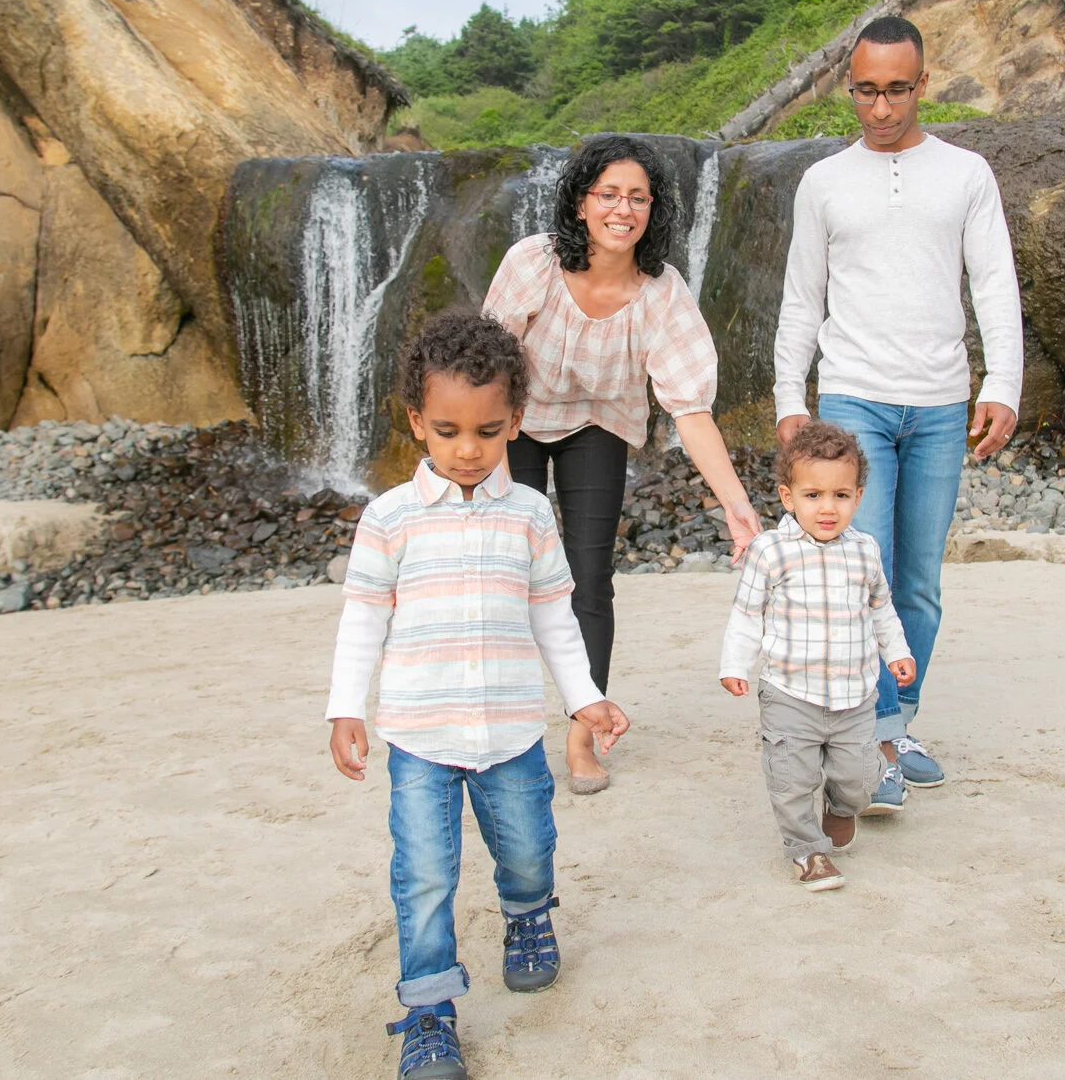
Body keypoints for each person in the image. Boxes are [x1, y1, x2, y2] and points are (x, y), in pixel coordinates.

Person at [325, 313, 633, 1080]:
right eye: (448, 430)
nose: (468, 450)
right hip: (420, 738)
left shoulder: (529, 513)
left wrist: (585, 700)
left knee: (528, 849)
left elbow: (554, 617)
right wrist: (344, 706)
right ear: (416, 422)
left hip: (510, 736)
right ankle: (429, 1012)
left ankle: (528, 916)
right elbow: (362, 618)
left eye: (489, 431)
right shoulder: (389, 519)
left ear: (515, 422)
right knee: (424, 873)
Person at [772, 15, 1023, 808]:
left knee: (918, 583)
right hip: (853, 400)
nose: (880, 109)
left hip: (943, 401)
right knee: (860, 574)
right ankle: (872, 739)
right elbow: (800, 297)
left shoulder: (967, 174)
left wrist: (1002, 384)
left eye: (896, 90)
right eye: (866, 91)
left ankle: (897, 724)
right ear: (852, 87)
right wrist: (788, 397)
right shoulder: (823, 182)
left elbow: (992, 282)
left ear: (923, 83)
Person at [484, 134, 764, 794]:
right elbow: (485, 367)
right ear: (582, 202)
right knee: (507, 570)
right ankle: (504, 731)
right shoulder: (534, 262)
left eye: (637, 197)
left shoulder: (661, 293)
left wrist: (735, 502)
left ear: (653, 209)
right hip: (515, 421)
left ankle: (584, 733)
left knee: (589, 578)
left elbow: (689, 408)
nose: (622, 208)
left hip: (598, 425)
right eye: (608, 193)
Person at [719, 420, 916, 891]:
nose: (827, 508)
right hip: (790, 693)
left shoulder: (865, 551)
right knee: (790, 780)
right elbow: (746, 616)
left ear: (858, 497)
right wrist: (734, 664)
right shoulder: (770, 552)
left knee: (861, 777)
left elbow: (881, 610)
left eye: (840, 496)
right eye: (813, 496)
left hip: (854, 695)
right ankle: (808, 852)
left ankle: (842, 805)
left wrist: (898, 653)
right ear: (788, 497)